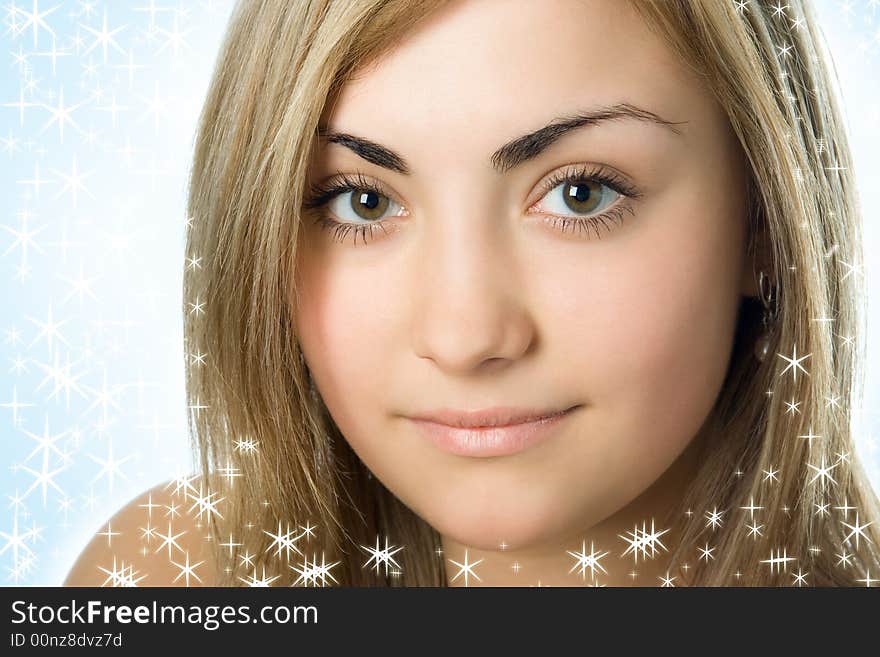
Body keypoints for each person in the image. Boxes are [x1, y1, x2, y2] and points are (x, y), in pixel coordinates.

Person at [66, 0, 880, 587]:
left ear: (766, 222)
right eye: (363, 200)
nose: (465, 336)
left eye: (580, 194)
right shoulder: (168, 579)